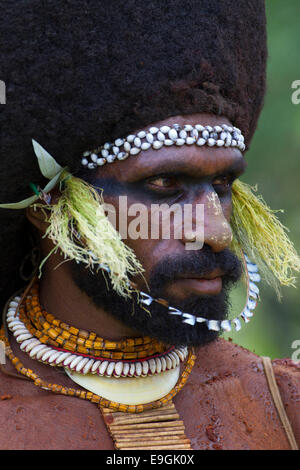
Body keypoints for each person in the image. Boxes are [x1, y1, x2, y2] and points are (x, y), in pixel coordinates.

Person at [0, 0, 299, 451]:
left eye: (221, 184)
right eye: (165, 184)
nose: (215, 232)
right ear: (50, 206)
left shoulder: (285, 406)